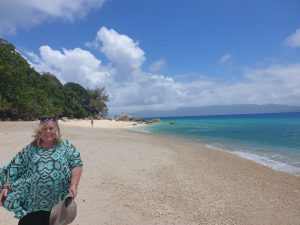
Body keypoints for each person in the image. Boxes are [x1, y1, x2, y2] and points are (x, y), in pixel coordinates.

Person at [0, 117, 83, 225]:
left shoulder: (66, 146)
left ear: (57, 130)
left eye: (51, 128)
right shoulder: (31, 149)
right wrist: (6, 186)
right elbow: (14, 167)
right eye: (44, 129)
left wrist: (74, 185)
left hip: (57, 202)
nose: (48, 132)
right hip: (34, 202)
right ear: (39, 132)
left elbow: (77, 164)